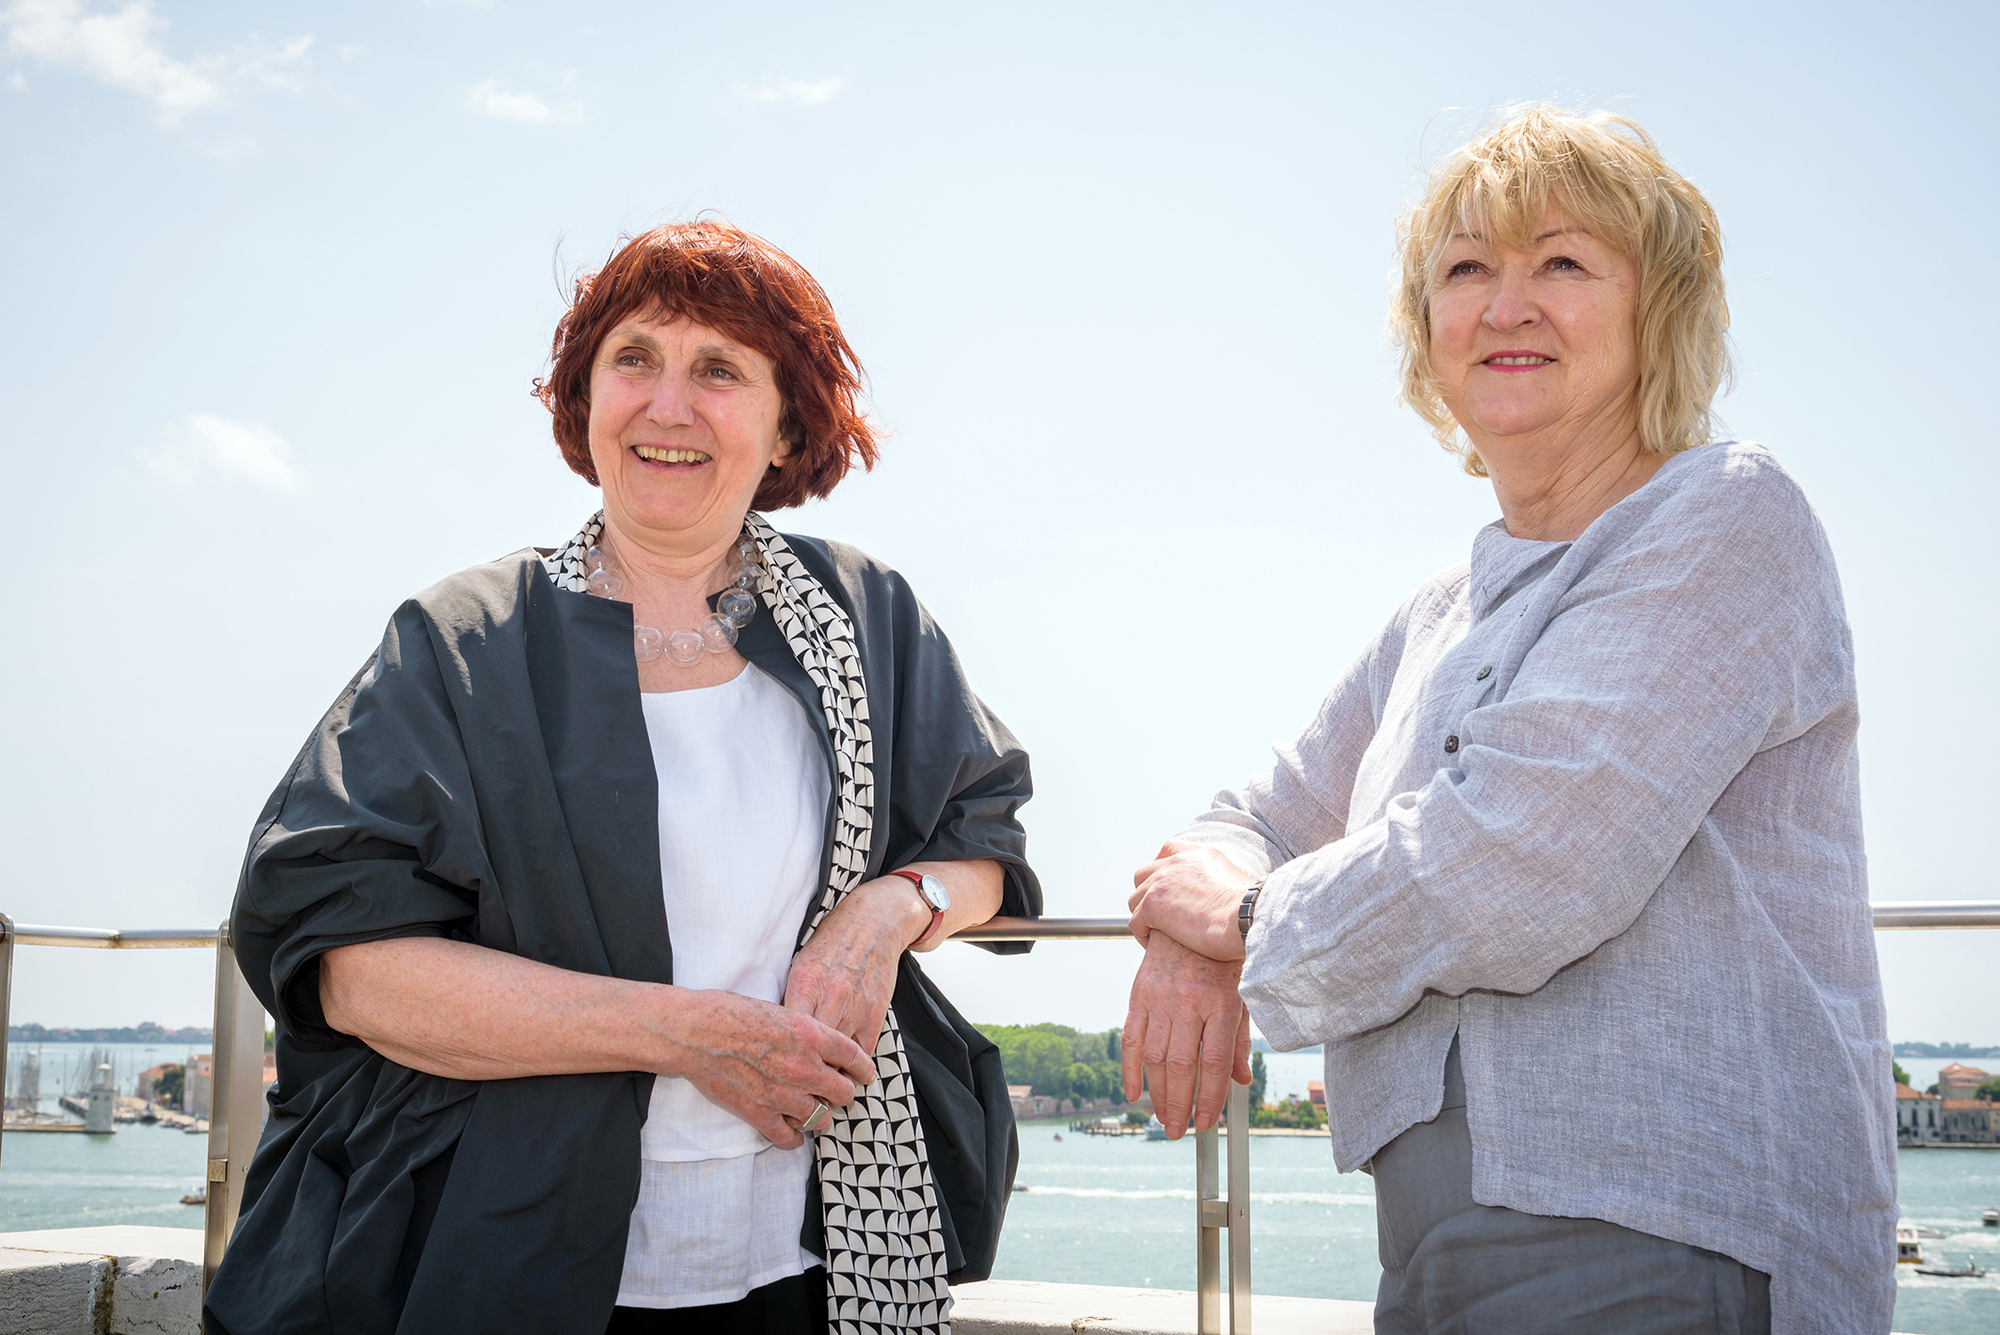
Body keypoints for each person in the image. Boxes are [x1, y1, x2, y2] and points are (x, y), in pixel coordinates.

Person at [1119, 106, 1892, 1334]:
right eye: (1465, 270)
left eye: (1563, 264)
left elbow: (1523, 863)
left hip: (1656, 1226)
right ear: (1426, 334)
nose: (1505, 304)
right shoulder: (1439, 609)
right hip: (1429, 1240)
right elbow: (1254, 816)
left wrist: (1248, 923)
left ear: (1658, 318)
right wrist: (1189, 937)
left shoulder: (1723, 517)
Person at [206, 220, 1041, 1335]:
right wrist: (681, 1032)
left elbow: (983, 843)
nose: (667, 405)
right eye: (634, 359)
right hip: (500, 1244)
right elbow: (349, 969)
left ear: (787, 421)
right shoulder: (464, 642)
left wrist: (890, 910)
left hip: (807, 1254)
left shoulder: (864, 617)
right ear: (582, 400)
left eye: (719, 370)